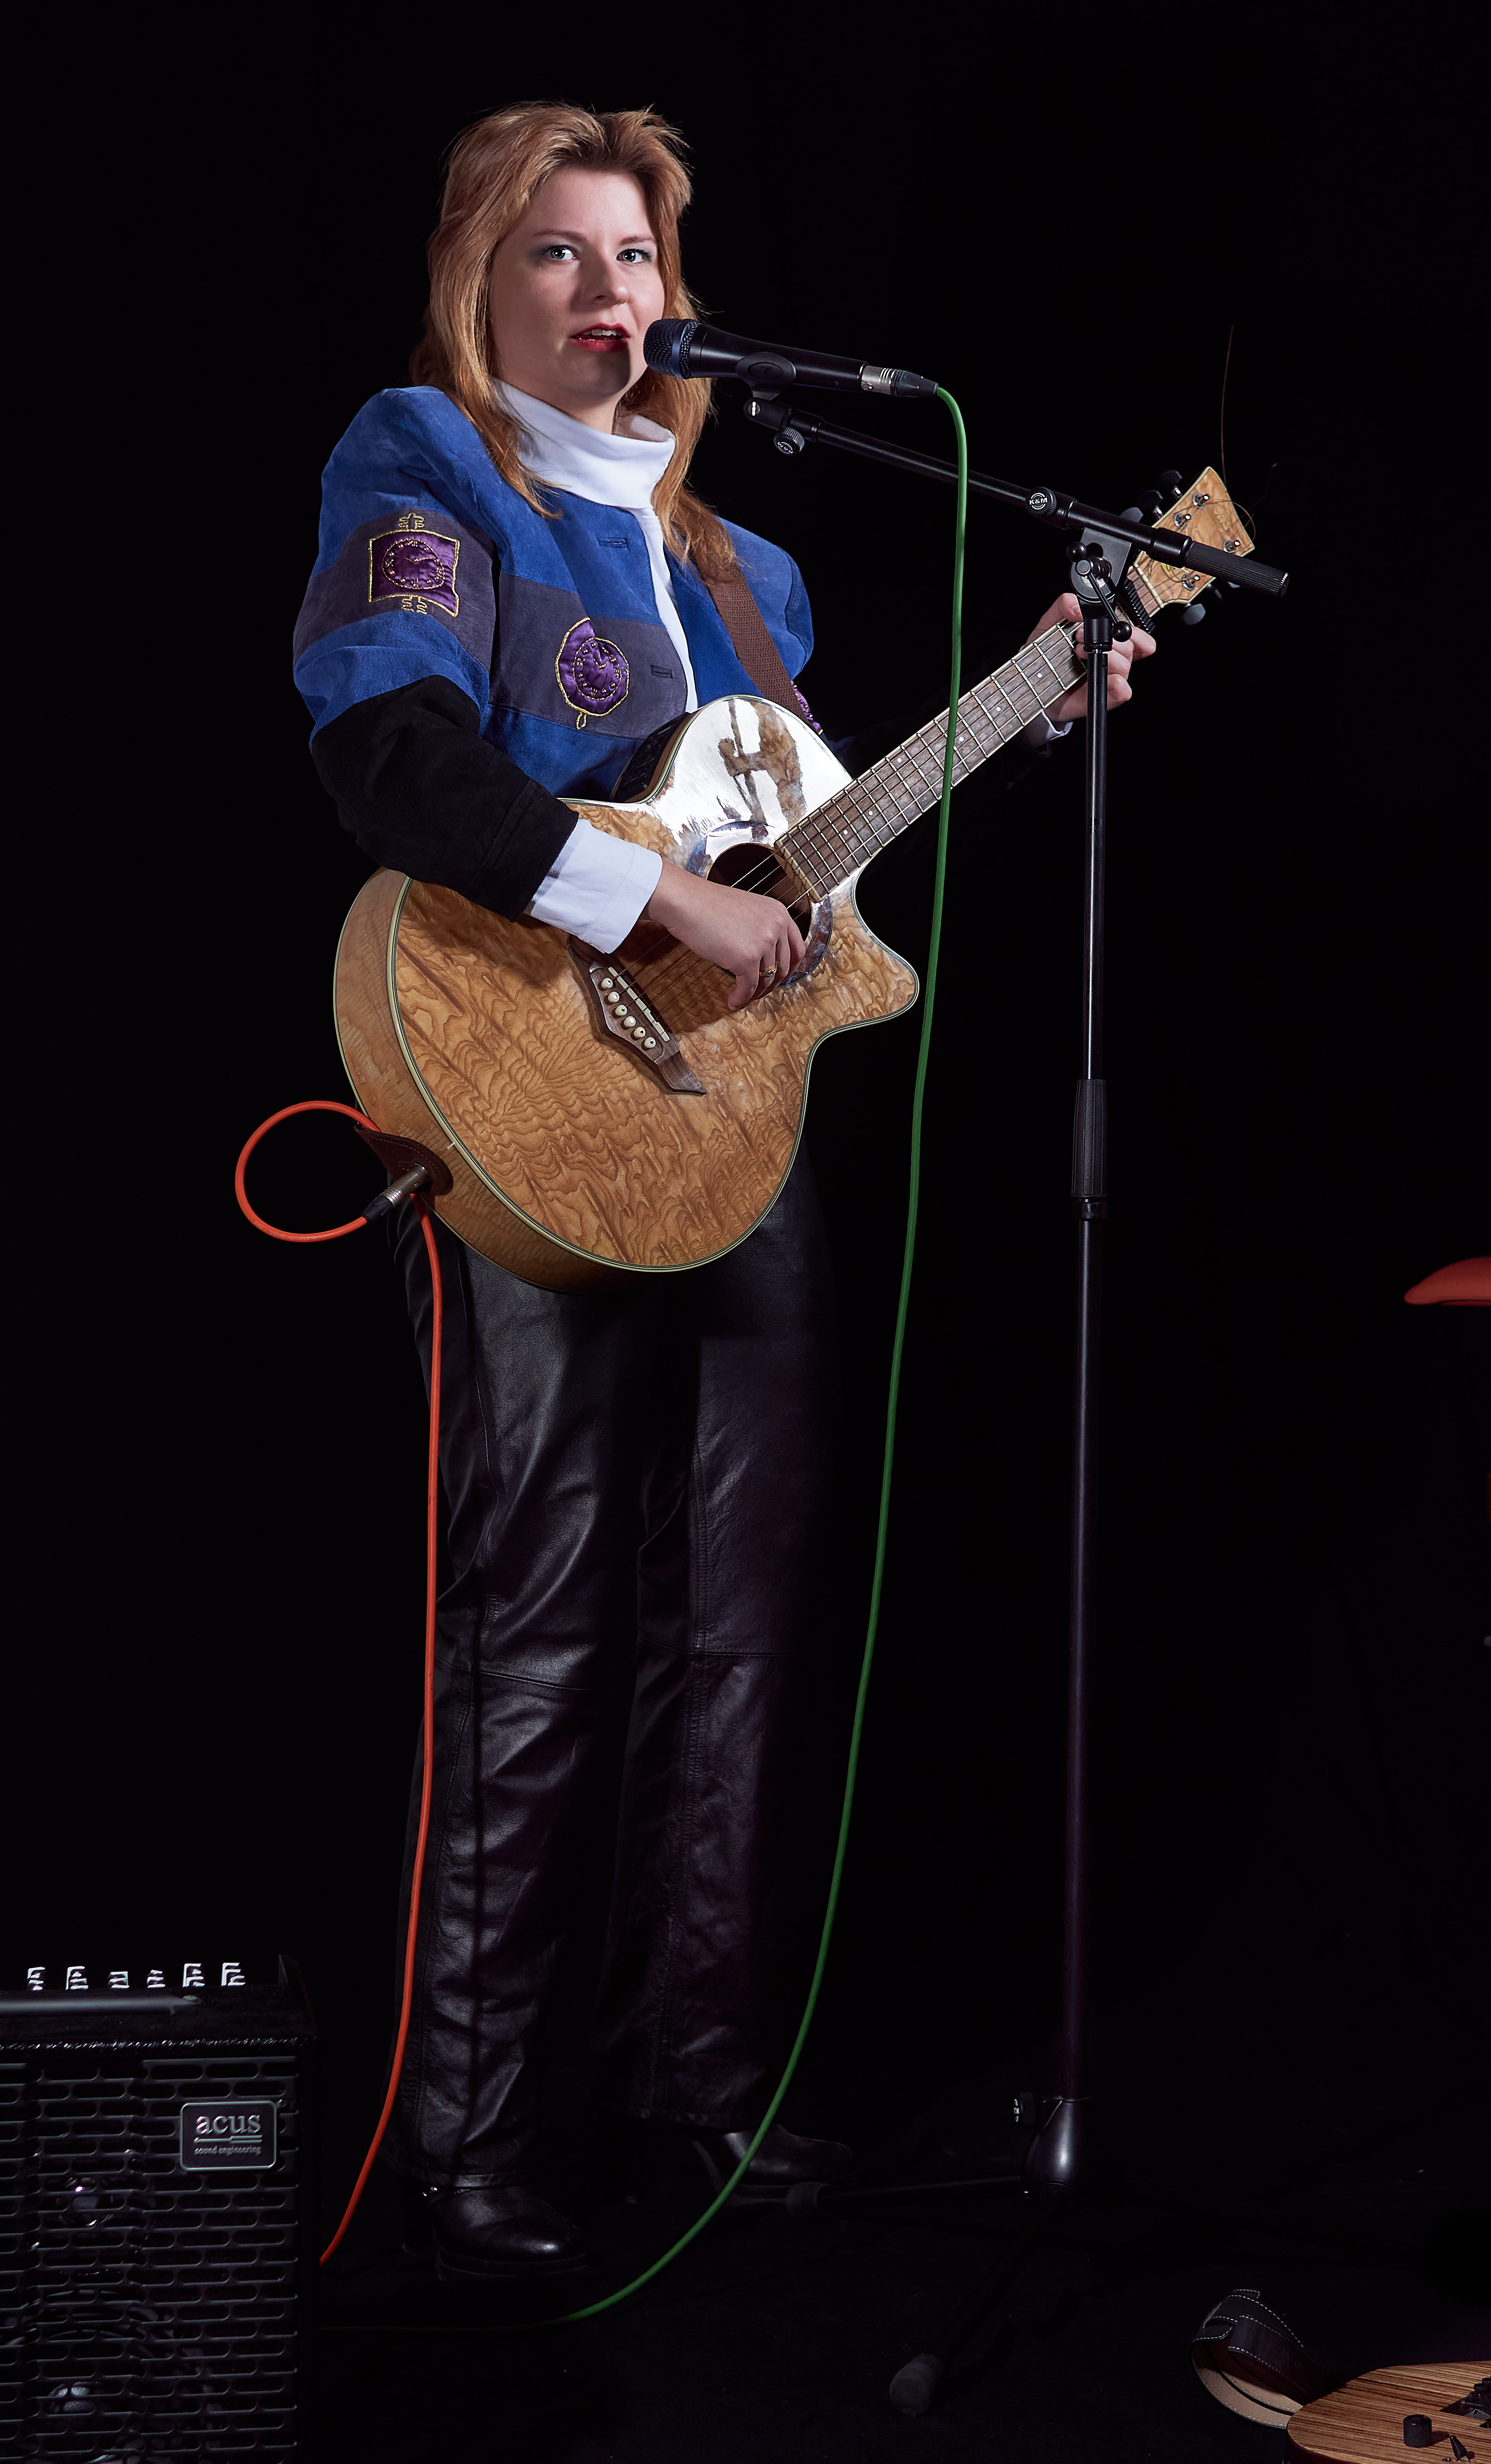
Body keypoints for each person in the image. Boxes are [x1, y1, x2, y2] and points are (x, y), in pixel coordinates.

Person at [293, 101, 1151, 2281]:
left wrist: (1047, 696)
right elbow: (388, 751)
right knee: (546, 1604)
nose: (612, 295)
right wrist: (647, 895)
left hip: (738, 1135)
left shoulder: (743, 577)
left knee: (754, 1623)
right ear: (482, 290)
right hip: (530, 1101)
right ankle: (467, 2136)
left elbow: (809, 866)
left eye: (636, 259)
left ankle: (701, 2090)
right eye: (562, 257)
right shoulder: (426, 465)